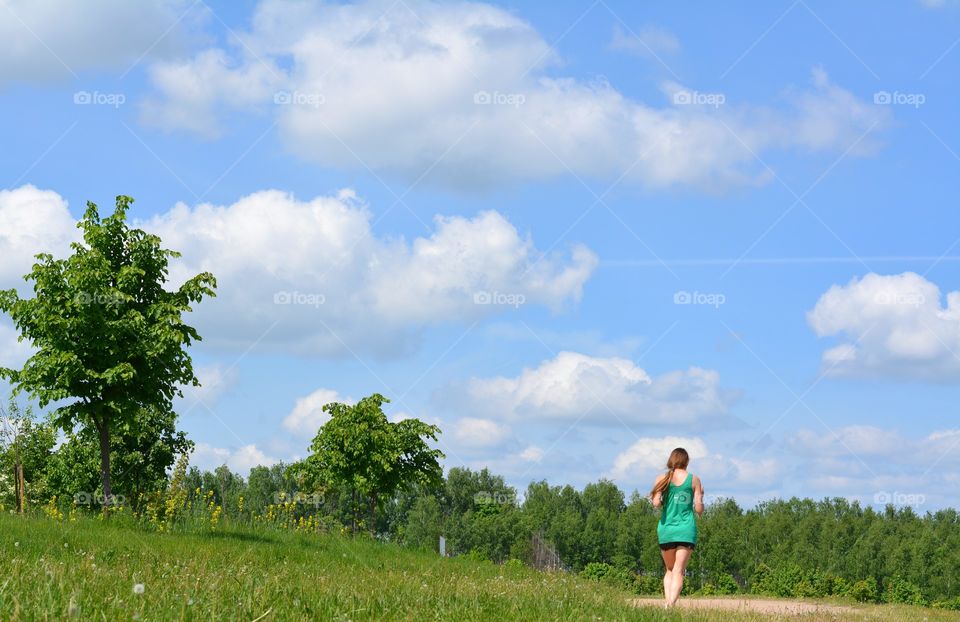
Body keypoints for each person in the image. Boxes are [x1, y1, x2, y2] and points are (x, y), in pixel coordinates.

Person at [649, 447, 704, 608]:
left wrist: (661, 497)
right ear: (686, 462)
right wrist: (701, 498)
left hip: (667, 529)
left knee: (670, 570)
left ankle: (668, 603)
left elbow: (656, 504)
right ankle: (671, 604)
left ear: (671, 460)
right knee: (679, 571)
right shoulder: (694, 480)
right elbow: (699, 509)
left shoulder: (662, 478)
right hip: (686, 530)